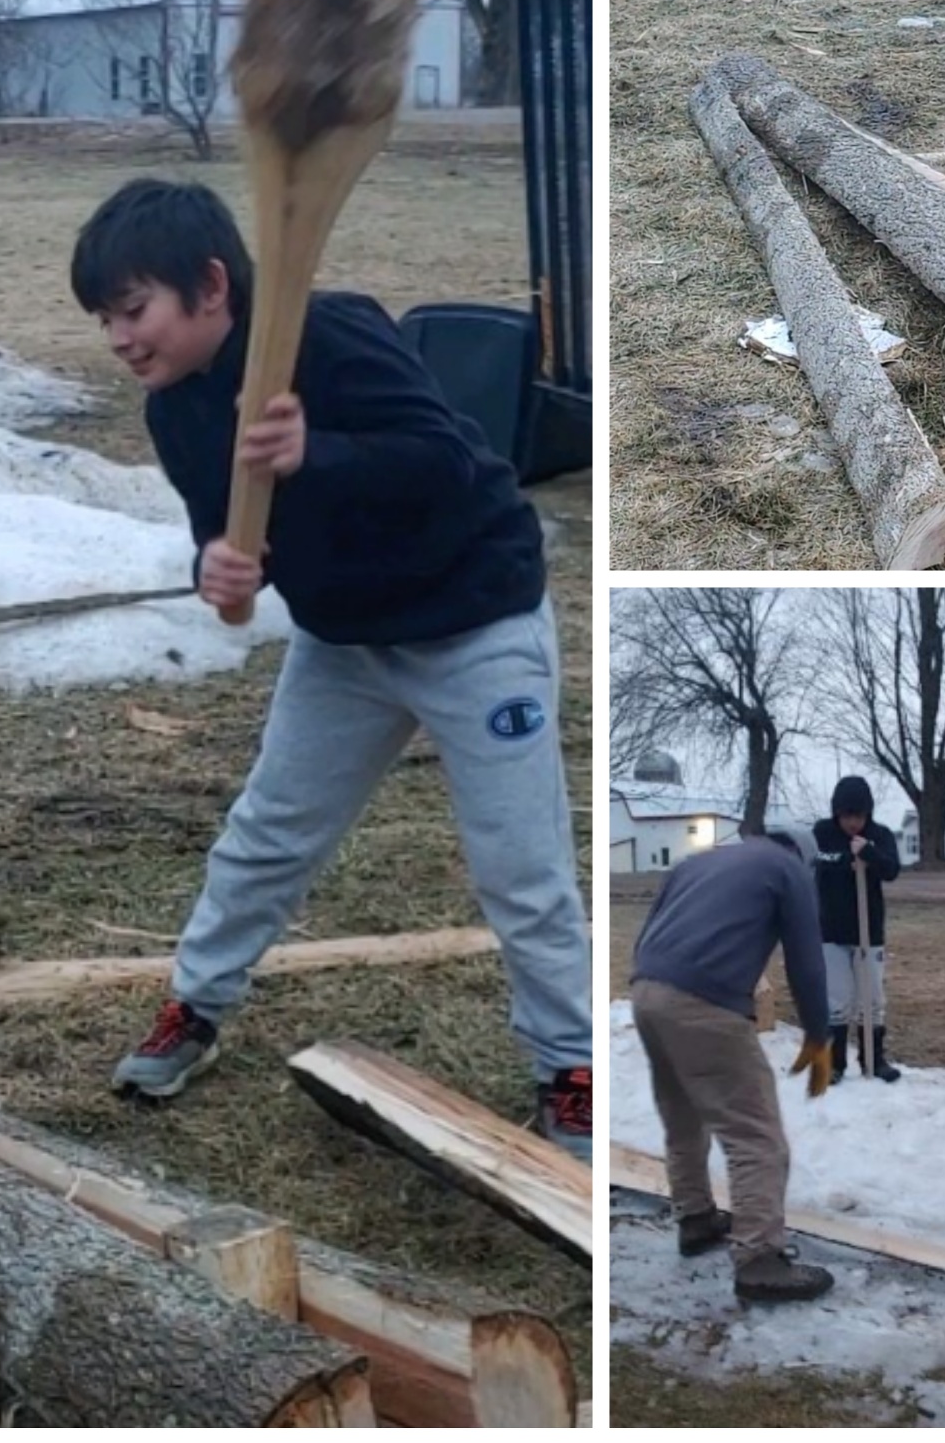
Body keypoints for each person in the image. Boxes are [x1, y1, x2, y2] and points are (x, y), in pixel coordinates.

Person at [67, 179, 592, 1160]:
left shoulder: (332, 332)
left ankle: (569, 1070)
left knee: (521, 869)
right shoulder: (175, 410)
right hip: (344, 643)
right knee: (266, 835)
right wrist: (216, 570)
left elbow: (443, 458)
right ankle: (195, 1007)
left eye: (133, 310)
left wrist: (321, 450)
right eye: (105, 319)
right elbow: (222, 551)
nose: (119, 339)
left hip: (476, 622)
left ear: (210, 286)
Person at [630, 832, 836, 1302]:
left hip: (645, 992)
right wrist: (819, 1035)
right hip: (704, 1003)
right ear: (805, 859)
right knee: (755, 1135)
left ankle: (696, 1219)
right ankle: (759, 1260)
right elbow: (807, 962)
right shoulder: (791, 872)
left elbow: (648, 933)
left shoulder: (695, 862)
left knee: (682, 1117)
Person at [810, 775, 903, 1083]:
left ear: (868, 814)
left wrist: (869, 854)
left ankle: (873, 1061)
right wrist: (844, 862)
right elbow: (814, 866)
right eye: (847, 816)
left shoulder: (880, 835)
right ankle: (834, 1065)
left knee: (872, 1000)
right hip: (831, 932)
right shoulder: (822, 833)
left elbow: (891, 870)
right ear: (837, 813)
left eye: (859, 816)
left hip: (868, 933)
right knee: (836, 1001)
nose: (853, 823)